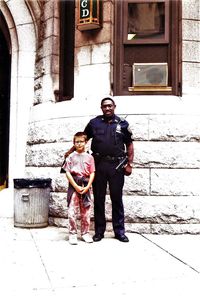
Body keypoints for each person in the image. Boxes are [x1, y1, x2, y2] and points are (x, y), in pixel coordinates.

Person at [84, 97, 134, 243]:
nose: (107, 108)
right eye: (105, 106)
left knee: (116, 198)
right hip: (98, 165)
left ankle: (119, 231)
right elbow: (83, 139)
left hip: (116, 166)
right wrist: (84, 159)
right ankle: (99, 231)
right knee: (99, 198)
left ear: (114, 107)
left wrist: (130, 164)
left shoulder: (123, 124)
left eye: (110, 106)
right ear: (101, 108)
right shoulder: (94, 123)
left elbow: (129, 144)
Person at [62, 132, 95, 245]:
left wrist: (88, 186)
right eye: (77, 142)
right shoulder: (70, 157)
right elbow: (67, 173)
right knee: (72, 211)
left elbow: (92, 173)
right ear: (74, 143)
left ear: (86, 142)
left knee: (86, 212)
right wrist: (75, 186)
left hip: (85, 185)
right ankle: (72, 234)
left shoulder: (90, 157)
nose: (79, 144)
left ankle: (85, 233)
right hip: (74, 184)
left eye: (81, 141)